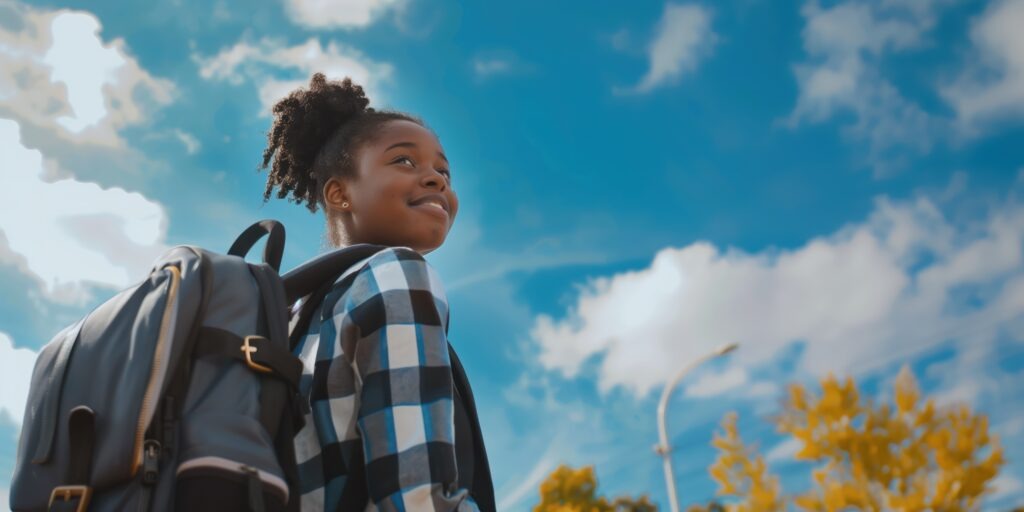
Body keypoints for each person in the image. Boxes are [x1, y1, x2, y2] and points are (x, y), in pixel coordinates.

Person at [259, 73, 495, 512]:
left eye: (443, 171)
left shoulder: (293, 316)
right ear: (339, 193)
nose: (436, 180)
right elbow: (415, 495)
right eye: (404, 161)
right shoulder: (397, 274)